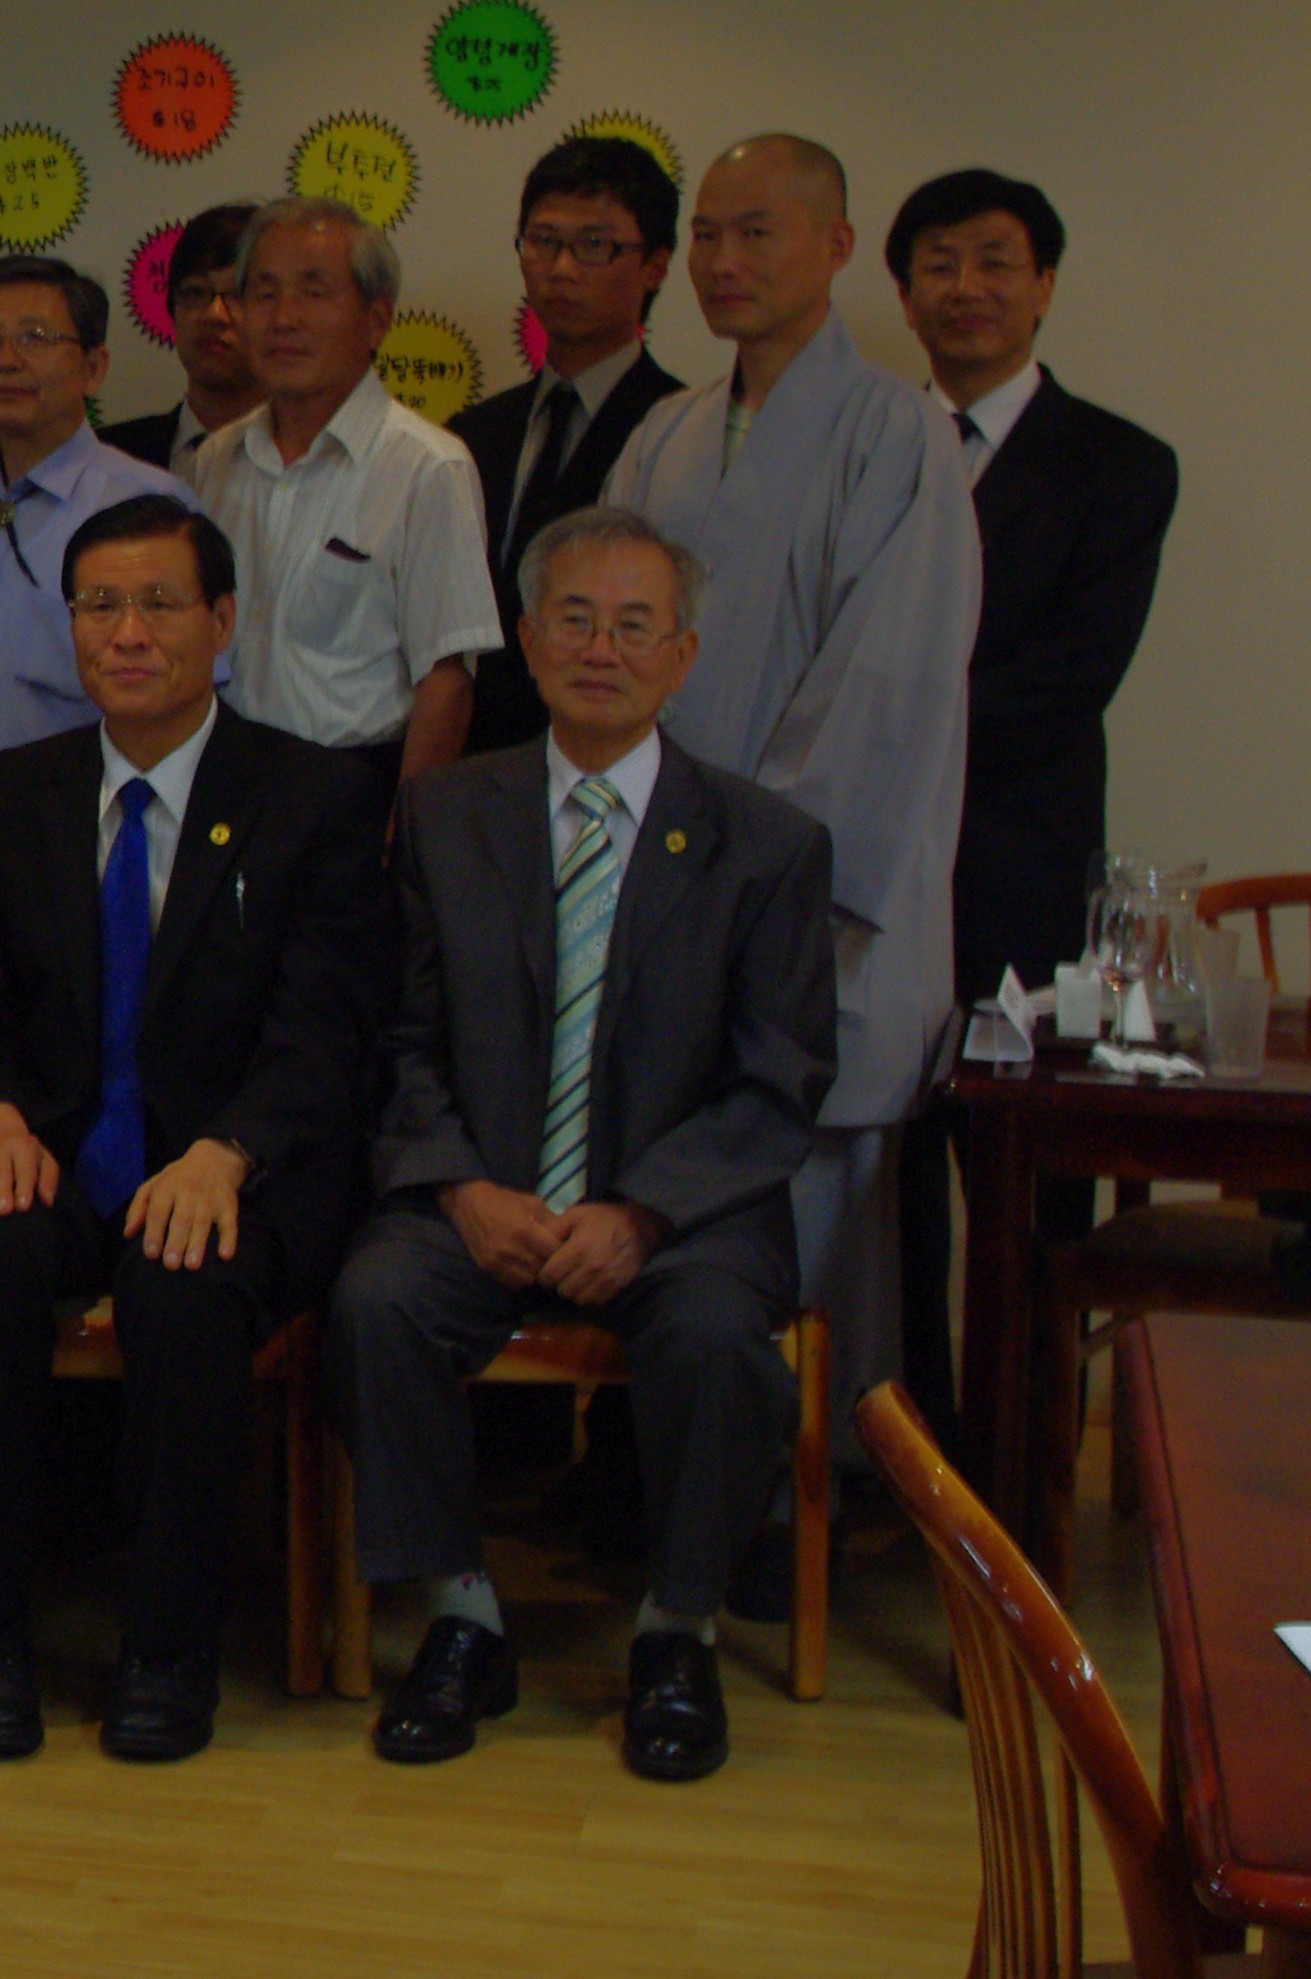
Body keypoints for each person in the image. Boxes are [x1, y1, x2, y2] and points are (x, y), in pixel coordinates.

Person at [331, 506, 833, 1784]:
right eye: (573, 618)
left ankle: (676, 1632)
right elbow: (398, 1038)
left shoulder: (766, 845)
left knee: (717, 1342)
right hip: (481, 1192)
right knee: (375, 1303)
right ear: (525, 636)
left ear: (682, 656)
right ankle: (460, 1618)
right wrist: (459, 1187)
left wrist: (643, 1211)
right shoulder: (444, 813)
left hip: (679, 1216)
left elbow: (777, 1081)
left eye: (633, 626)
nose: (599, 649)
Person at [0, 494, 388, 1763]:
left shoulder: (313, 796)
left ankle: (168, 1650)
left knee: (183, 1285)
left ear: (222, 621)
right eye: (99, 606)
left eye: (158, 605)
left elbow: (328, 1027)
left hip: (237, 1160)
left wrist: (225, 1153)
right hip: (53, 1145)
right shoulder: (7, 793)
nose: (126, 634)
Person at [604, 134, 977, 1439]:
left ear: (835, 246)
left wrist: (740, 867)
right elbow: (603, 651)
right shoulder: (665, 431)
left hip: (800, 896)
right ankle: (661, 1474)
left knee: (813, 1193)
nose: (723, 260)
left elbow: (887, 691)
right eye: (707, 234)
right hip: (655, 875)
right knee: (655, 1167)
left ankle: (809, 1485)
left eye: (756, 232)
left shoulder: (900, 433)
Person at [886, 167, 1177, 1431]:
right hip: (865, 865)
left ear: (1043, 285)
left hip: (1019, 867)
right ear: (902, 294)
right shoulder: (863, 447)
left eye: (994, 262)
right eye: (938, 263)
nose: (967, 288)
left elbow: (1073, 673)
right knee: (879, 1179)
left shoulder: (1118, 463)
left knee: (1028, 1186)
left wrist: (885, 729)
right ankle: (895, 1451)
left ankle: (1024, 1463)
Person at [189, 197, 500, 785]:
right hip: (223, 772)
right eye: (264, 293)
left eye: (314, 292)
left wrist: (406, 825)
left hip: (356, 781)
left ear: (377, 319)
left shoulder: (429, 467)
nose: (284, 318)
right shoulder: (215, 459)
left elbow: (447, 683)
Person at [0, 254, 188, 780]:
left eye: (34, 338)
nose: (5, 360)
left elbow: (185, 696)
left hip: (72, 814)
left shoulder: (150, 507)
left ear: (93, 368)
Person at [450, 141, 684, 754]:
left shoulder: (680, 432)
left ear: (656, 265)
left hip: (606, 753)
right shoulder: (472, 433)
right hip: (473, 764)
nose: (560, 269)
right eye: (543, 241)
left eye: (593, 245)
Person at [102, 202, 262, 482]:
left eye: (237, 295)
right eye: (196, 293)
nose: (215, 314)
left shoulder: (314, 462)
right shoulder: (108, 459)